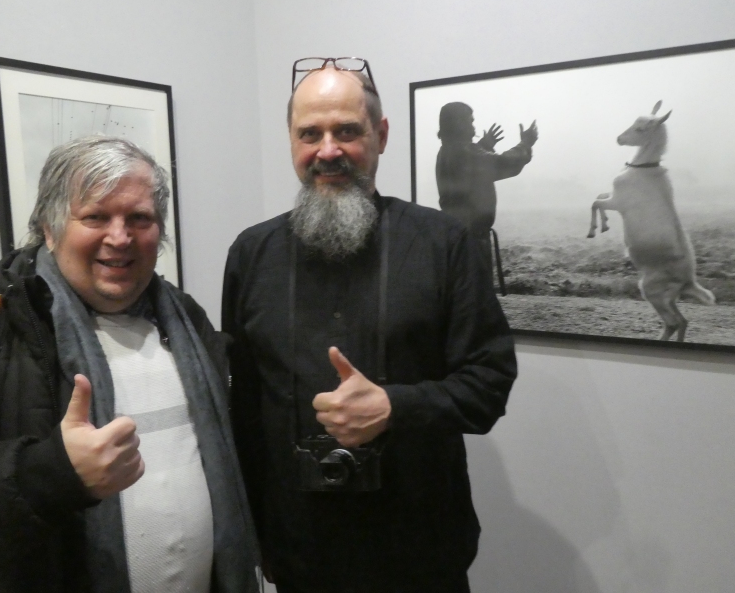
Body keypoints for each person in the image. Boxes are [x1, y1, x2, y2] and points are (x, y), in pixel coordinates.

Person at [222, 59, 517, 593]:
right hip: (298, 555)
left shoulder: (443, 244)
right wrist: (252, 532)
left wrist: (394, 407)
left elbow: (489, 385)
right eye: (309, 134)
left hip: (420, 554)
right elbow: (244, 407)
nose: (327, 150)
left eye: (347, 131)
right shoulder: (251, 253)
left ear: (380, 135)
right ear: (291, 140)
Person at [0, 135, 259, 592]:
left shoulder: (189, 322)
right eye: (96, 217)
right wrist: (49, 473)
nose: (120, 237)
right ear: (50, 228)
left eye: (139, 218)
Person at [435, 101, 538, 278]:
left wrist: (485, 145)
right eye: (470, 121)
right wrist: (526, 143)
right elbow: (503, 163)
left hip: (458, 239)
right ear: (459, 124)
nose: (473, 126)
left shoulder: (447, 151)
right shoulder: (464, 152)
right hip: (471, 242)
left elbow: (475, 167)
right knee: (476, 291)